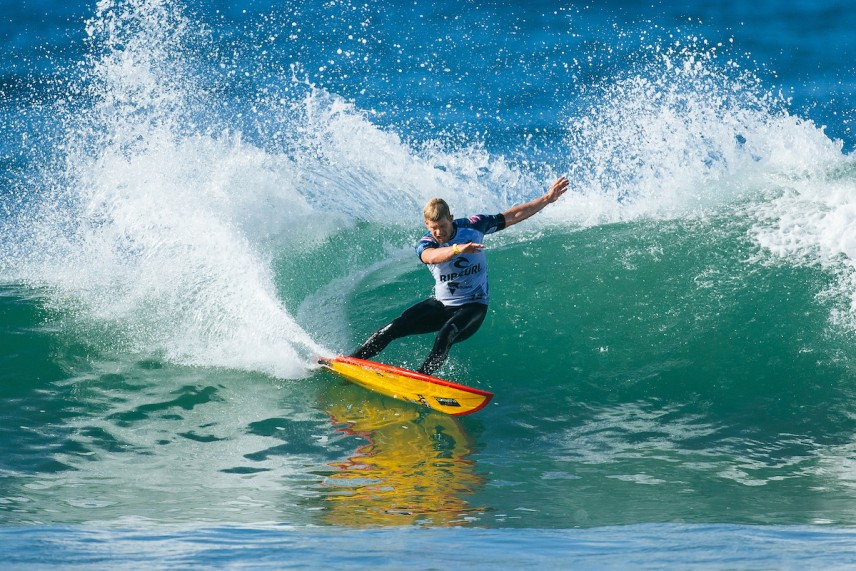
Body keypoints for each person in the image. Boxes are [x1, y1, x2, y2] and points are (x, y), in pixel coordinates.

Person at [350, 176, 570, 375]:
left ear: (451, 219)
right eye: (434, 227)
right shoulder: (426, 243)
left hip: (473, 307)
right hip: (441, 305)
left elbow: (512, 216)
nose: (439, 232)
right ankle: (351, 362)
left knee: (446, 335)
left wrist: (547, 199)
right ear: (427, 225)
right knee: (393, 328)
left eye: (443, 226)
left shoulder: (474, 226)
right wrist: (457, 249)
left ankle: (422, 378)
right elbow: (430, 257)